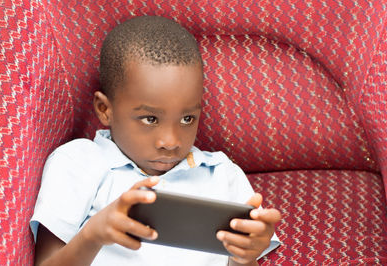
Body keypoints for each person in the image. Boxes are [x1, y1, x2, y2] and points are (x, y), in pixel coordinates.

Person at [30, 16, 281, 266]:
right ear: (105, 109)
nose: (170, 142)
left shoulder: (222, 175)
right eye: (150, 119)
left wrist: (245, 256)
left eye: (187, 119)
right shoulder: (78, 162)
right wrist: (93, 235)